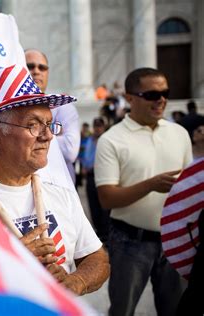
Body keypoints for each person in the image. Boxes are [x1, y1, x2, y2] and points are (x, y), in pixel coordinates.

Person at [0, 65, 109, 296]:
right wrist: (8, 263)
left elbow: (98, 258)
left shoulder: (60, 194)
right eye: (33, 125)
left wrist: (75, 282)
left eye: (49, 124)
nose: (47, 136)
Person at [94, 67, 193, 316]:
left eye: (165, 93)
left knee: (176, 309)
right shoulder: (111, 140)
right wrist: (150, 185)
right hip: (129, 242)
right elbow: (106, 198)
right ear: (129, 98)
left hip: (176, 240)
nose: (160, 100)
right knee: (123, 310)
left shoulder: (179, 133)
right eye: (151, 94)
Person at [25, 49, 80, 184]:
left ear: (47, 72)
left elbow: (70, 150)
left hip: (60, 190)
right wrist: (57, 135)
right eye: (30, 66)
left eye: (42, 67)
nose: (36, 71)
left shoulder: (65, 107)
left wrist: (27, 136)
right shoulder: (8, 110)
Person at [81, 117, 110, 244]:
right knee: (93, 205)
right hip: (90, 175)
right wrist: (83, 166)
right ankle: (99, 231)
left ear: (103, 127)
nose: (98, 128)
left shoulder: (106, 140)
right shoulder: (89, 140)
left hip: (102, 175)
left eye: (100, 126)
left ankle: (105, 233)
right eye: (96, 126)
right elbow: (83, 155)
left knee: (103, 206)